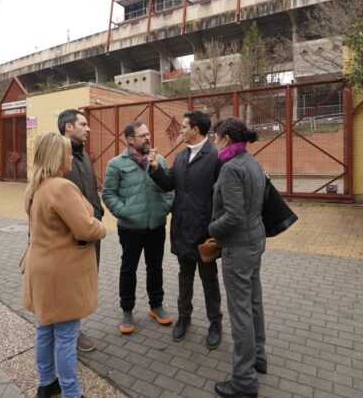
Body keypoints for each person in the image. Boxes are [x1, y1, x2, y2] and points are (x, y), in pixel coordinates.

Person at [23, 132, 106, 398]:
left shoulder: (34, 185)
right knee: (67, 336)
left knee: (45, 328)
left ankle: (47, 383)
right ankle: (71, 392)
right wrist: (101, 227)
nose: (72, 157)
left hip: (41, 267)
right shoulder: (61, 187)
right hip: (63, 273)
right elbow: (85, 229)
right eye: (68, 152)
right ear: (58, 157)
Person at [147, 111, 223, 349]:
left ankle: (215, 322)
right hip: (182, 227)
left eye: (183, 127)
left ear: (196, 130)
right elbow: (169, 182)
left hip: (204, 231)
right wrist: (156, 169)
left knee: (208, 278)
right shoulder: (181, 156)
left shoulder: (216, 157)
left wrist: (216, 228)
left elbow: (222, 196)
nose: (180, 131)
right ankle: (184, 317)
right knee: (184, 275)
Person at [208, 118, 267, 398]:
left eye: (215, 137)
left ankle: (243, 379)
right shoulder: (251, 162)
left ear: (227, 139)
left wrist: (211, 230)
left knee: (240, 310)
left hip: (238, 248)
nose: (214, 141)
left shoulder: (231, 168)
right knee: (254, 300)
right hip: (255, 241)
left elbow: (233, 216)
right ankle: (258, 357)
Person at [101, 120, 174, 334]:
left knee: (155, 266)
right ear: (130, 139)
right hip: (130, 228)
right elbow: (108, 194)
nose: (148, 137)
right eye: (143, 135)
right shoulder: (117, 164)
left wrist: (166, 207)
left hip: (156, 225)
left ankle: (156, 305)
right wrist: (126, 213)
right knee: (128, 269)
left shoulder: (158, 159)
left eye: (148, 133)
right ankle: (127, 310)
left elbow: (169, 187)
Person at [58, 109, 104, 353]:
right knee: (70, 286)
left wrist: (98, 212)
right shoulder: (59, 157)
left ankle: (74, 328)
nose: (88, 129)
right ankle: (70, 333)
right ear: (68, 127)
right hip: (69, 237)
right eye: (83, 124)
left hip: (91, 230)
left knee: (86, 282)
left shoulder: (84, 156)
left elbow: (91, 190)